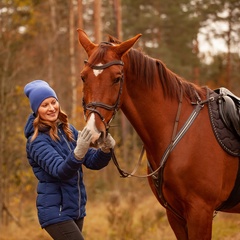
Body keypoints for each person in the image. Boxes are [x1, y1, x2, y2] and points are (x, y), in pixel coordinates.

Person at [24, 80, 115, 240]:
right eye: (45, 105)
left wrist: (105, 150)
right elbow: (60, 171)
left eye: (53, 102)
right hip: (56, 211)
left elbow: (92, 162)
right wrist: (79, 150)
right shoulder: (36, 141)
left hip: (75, 208)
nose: (52, 108)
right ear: (36, 110)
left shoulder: (67, 130)